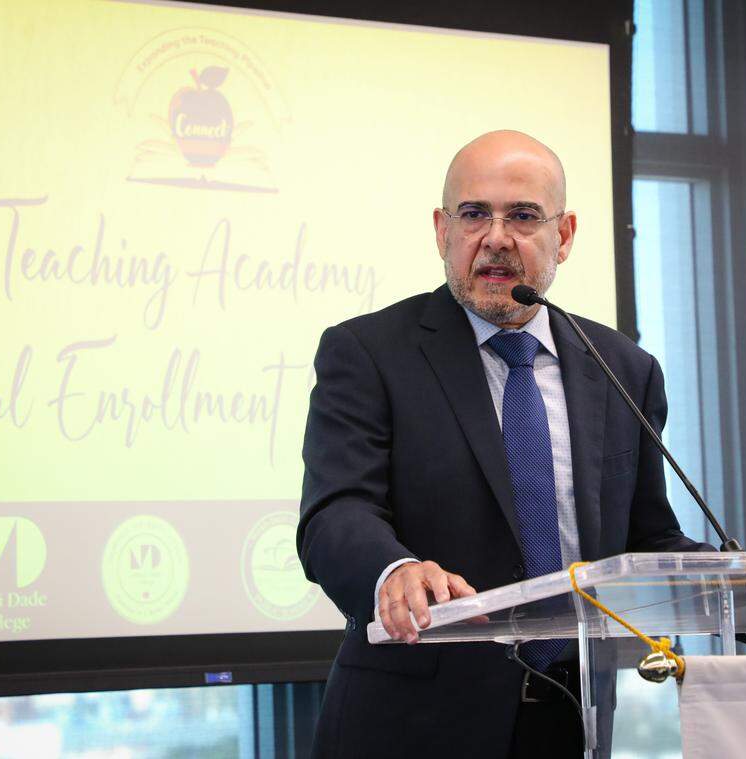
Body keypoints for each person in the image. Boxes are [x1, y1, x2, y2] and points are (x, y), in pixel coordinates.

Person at [297, 130, 711, 758]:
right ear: (442, 230)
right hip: (411, 726)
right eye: (473, 215)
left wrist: (734, 579)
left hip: (572, 718)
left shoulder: (623, 369)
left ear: (564, 235)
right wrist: (395, 570)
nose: (494, 237)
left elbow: (645, 536)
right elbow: (335, 512)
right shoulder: (369, 353)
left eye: (521, 216)